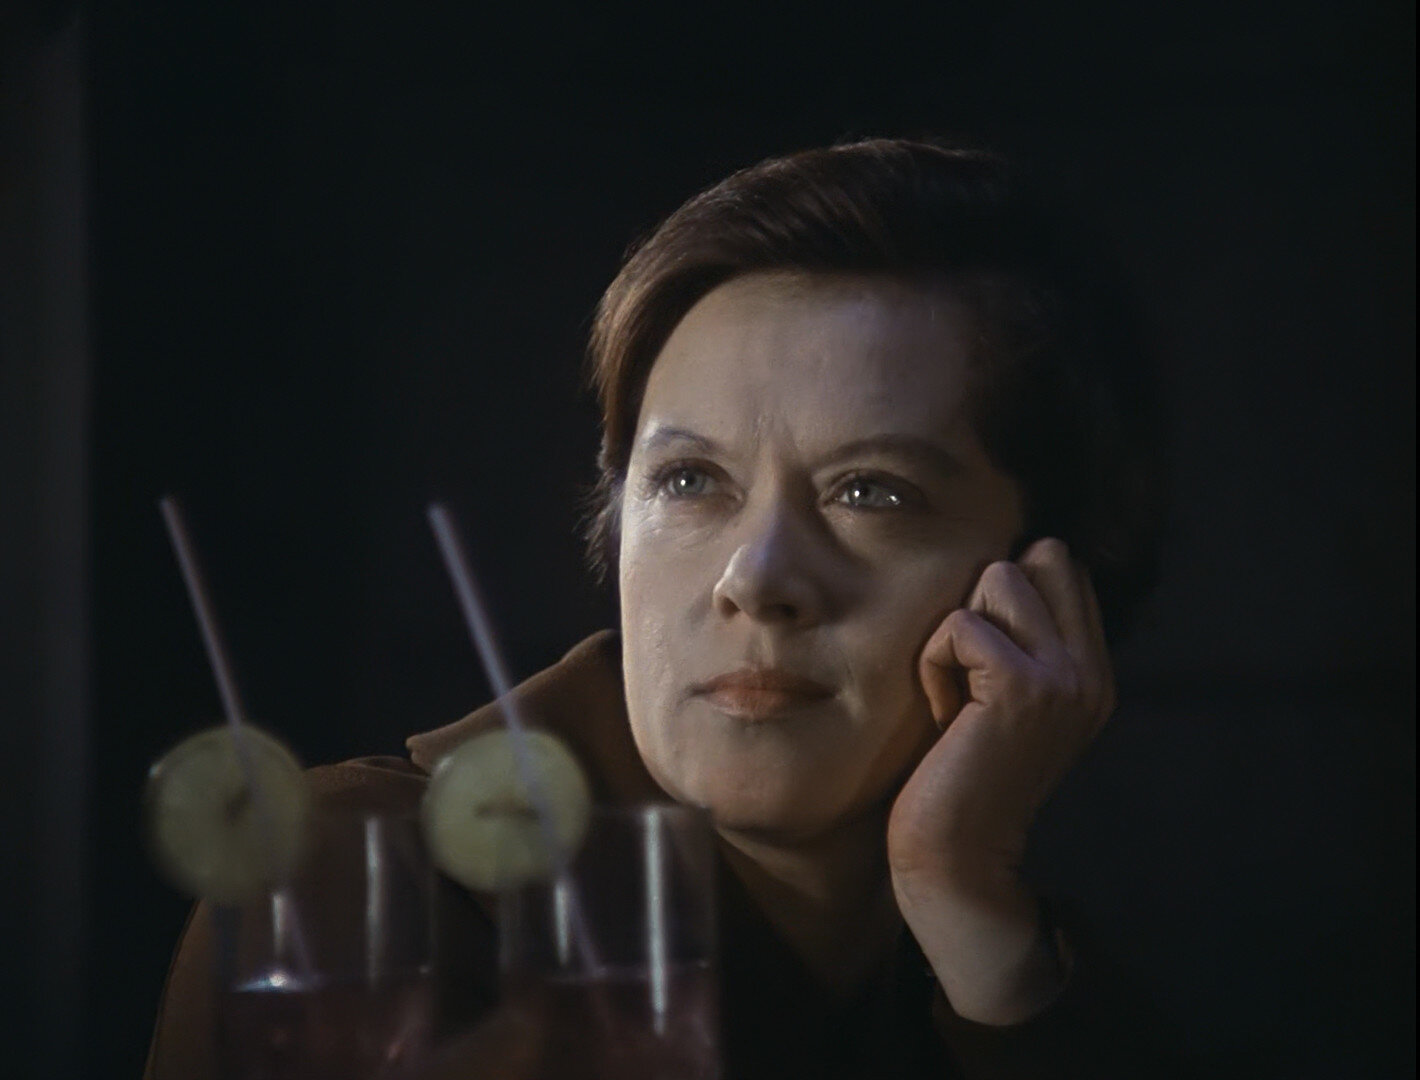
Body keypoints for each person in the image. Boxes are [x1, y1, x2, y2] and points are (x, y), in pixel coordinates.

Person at [146, 137, 1184, 1079]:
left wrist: (967, 907)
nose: (755, 579)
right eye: (690, 481)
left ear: (1052, 581)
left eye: (872, 493)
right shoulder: (354, 885)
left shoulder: (1008, 970)